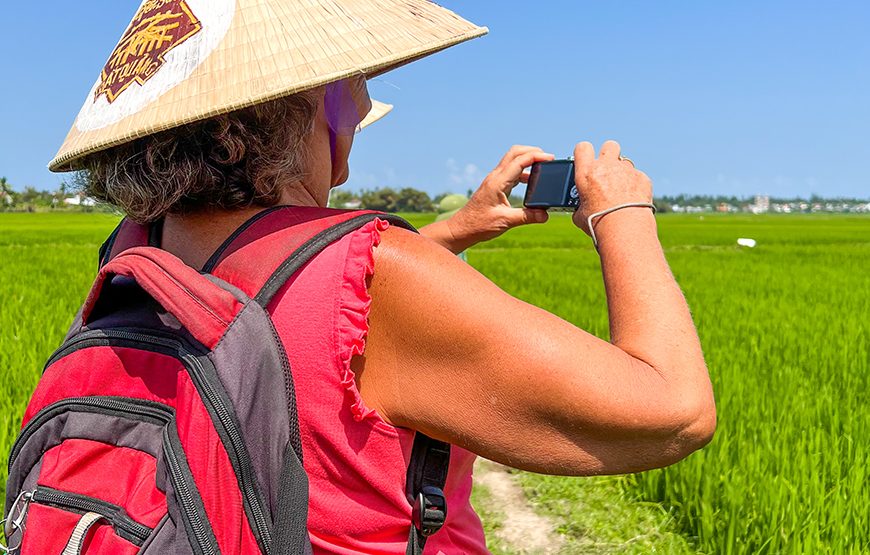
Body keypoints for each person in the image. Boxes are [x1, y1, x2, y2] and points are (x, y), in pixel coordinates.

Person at [47, 1, 715, 552]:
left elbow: (291, 312)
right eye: (354, 82)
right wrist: (624, 212)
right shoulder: (376, 278)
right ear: (310, 104)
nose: (363, 103)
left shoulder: (136, 253)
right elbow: (673, 411)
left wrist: (454, 232)